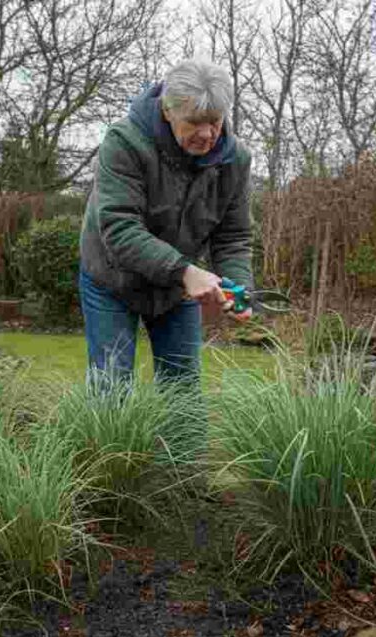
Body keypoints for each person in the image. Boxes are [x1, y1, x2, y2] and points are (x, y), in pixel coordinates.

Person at [78, 59, 253, 390]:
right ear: (167, 111)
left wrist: (238, 290)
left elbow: (233, 236)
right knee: (111, 385)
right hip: (113, 279)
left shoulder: (235, 160)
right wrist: (187, 272)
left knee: (183, 391)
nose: (207, 134)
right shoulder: (125, 143)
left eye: (215, 122)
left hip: (175, 290)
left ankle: (183, 445)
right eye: (194, 122)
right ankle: (107, 443)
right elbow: (120, 229)